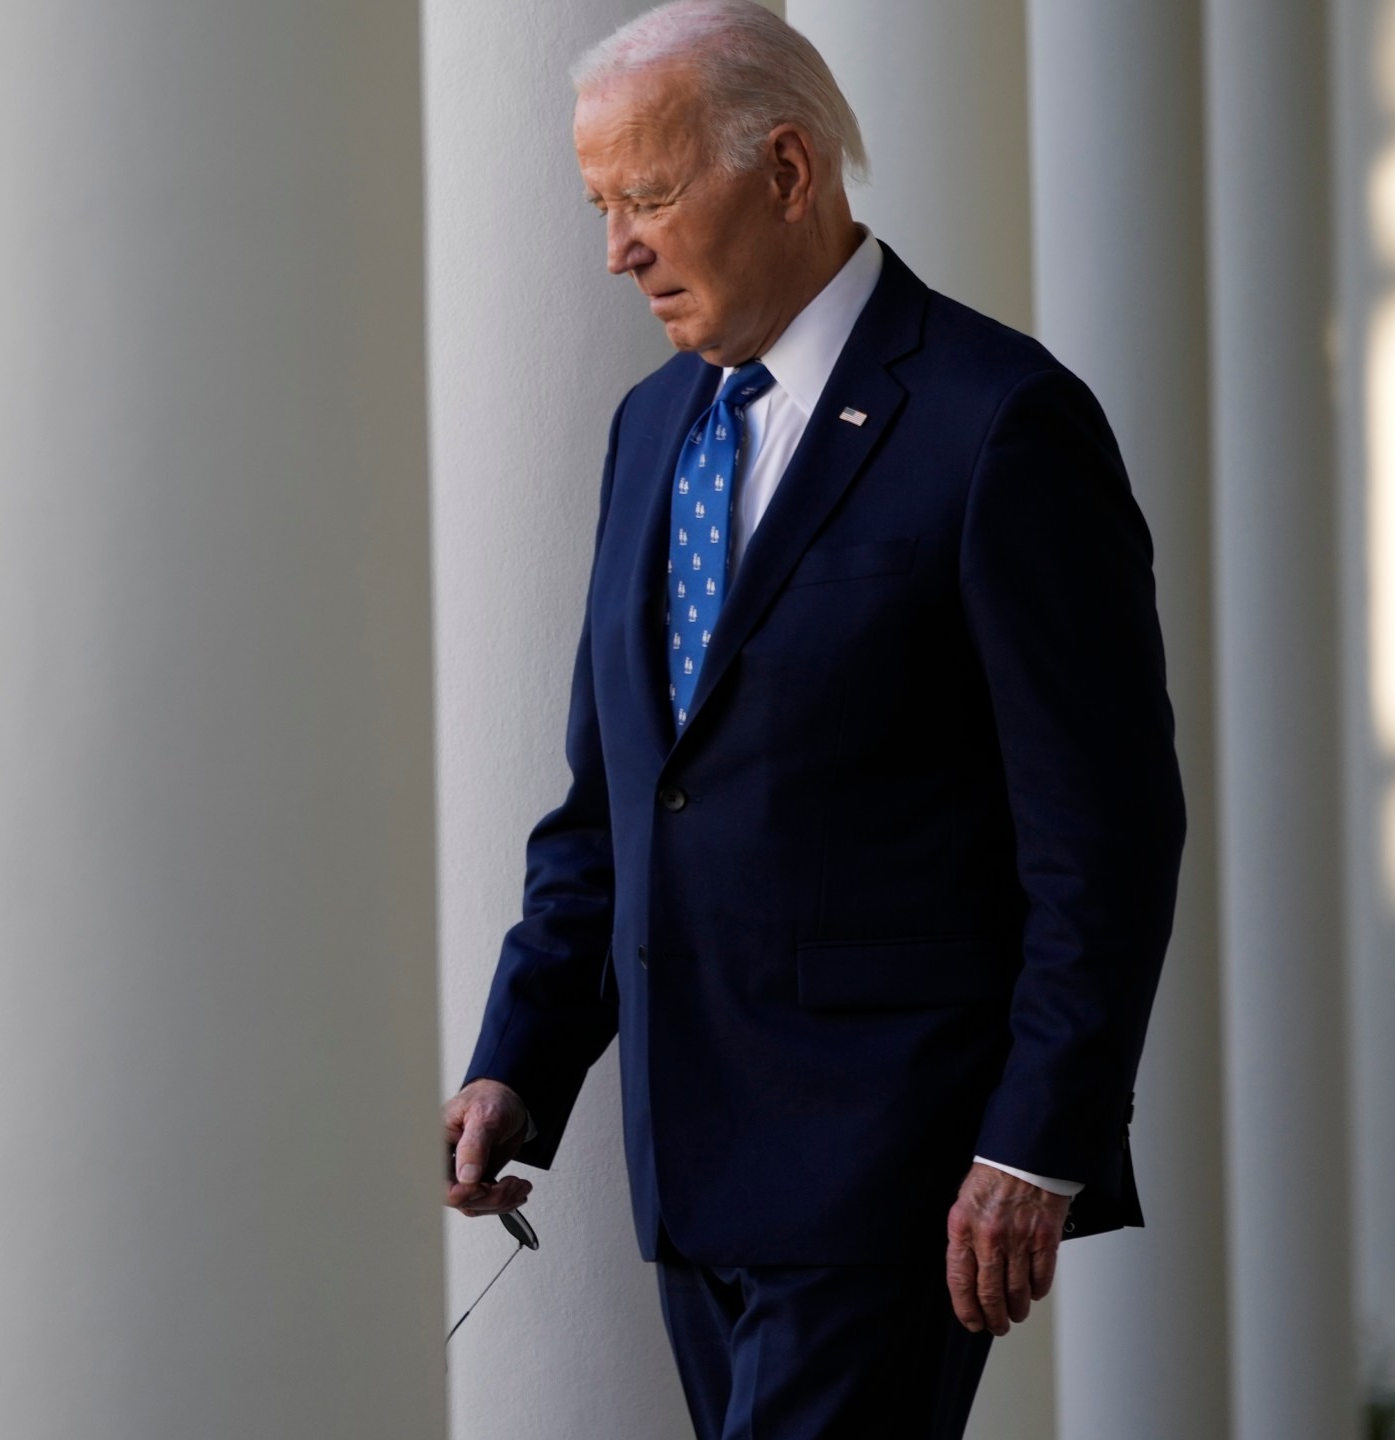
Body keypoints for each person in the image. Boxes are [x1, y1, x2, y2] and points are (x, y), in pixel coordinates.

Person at [441, 3, 1186, 1435]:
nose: (618, 249)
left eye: (648, 197)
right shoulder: (649, 428)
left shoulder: (1002, 423)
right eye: (602, 206)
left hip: (895, 1175)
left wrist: (1038, 1144)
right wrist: (517, 1063)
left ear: (787, 170)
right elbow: (619, 800)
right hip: (693, 1175)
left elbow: (1106, 833)